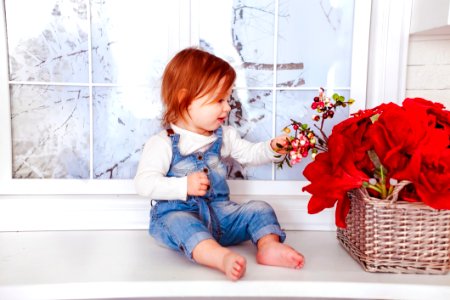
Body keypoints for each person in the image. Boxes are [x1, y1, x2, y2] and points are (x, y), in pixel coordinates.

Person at [134, 47, 304, 281]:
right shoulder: (163, 142)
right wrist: (183, 186)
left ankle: (268, 246)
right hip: (178, 214)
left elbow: (249, 154)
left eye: (228, 99)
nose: (227, 107)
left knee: (259, 208)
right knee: (181, 224)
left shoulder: (224, 136)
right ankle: (218, 257)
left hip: (221, 216)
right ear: (186, 100)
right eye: (219, 100)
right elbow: (144, 183)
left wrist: (271, 148)